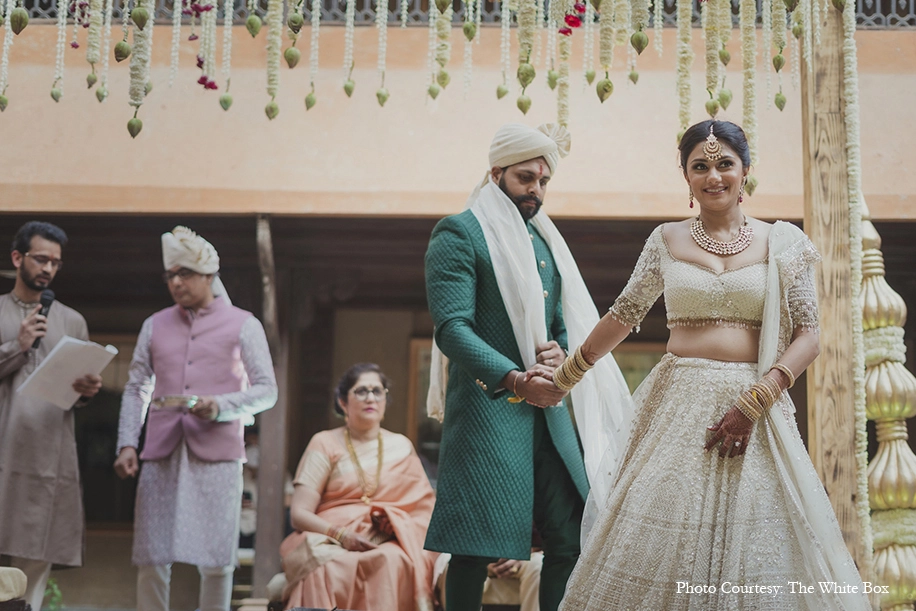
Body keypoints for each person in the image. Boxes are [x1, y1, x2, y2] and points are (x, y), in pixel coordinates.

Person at [554, 120, 870, 610]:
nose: (713, 176)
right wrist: (565, 377)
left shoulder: (783, 243)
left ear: (746, 172)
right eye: (700, 166)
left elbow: (809, 336)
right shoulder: (665, 240)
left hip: (758, 404)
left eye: (725, 164)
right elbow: (623, 314)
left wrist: (757, 399)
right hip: (678, 404)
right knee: (660, 537)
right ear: (685, 175)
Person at [422, 123, 633, 611]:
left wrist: (559, 355)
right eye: (524, 179)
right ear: (496, 173)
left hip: (549, 412)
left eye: (542, 181)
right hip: (487, 410)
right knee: (473, 548)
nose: (535, 190)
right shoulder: (459, 232)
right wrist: (517, 378)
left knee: (571, 540)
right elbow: (453, 329)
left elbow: (557, 325)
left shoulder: (545, 244)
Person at [114, 226, 277, 611]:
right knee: (152, 556)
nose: (176, 282)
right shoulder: (154, 325)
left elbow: (267, 390)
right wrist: (126, 443)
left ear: (209, 275)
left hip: (218, 454)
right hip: (160, 450)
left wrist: (220, 405)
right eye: (170, 275)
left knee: (217, 559)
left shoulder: (244, 324)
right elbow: (137, 386)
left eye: (184, 273)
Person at [0, 221, 103, 610]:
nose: (48, 269)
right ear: (17, 258)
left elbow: (74, 387)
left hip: (48, 455)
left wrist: (86, 393)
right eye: (41, 258)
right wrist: (18, 344)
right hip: (3, 447)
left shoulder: (72, 321)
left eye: (56, 263)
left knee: (35, 559)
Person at [279, 362, 437, 611]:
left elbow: (423, 510)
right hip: (330, 538)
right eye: (361, 391)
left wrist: (394, 522)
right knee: (327, 567)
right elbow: (299, 514)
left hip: (387, 540)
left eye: (378, 391)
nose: (371, 397)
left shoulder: (401, 446)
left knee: (393, 560)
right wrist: (342, 535)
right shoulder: (325, 442)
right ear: (343, 402)